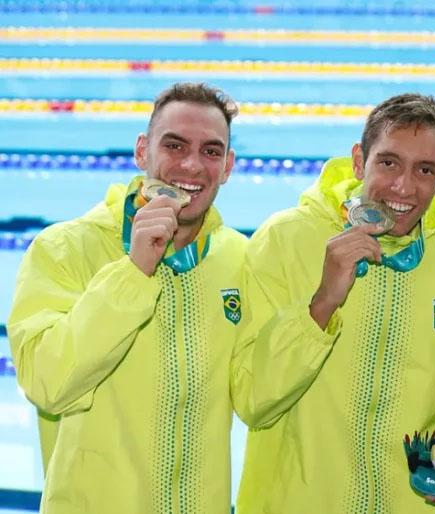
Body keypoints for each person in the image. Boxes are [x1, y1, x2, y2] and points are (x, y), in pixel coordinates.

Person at [232, 93, 435, 514]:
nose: (403, 187)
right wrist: (321, 306)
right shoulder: (285, 239)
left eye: (424, 170)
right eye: (388, 163)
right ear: (359, 160)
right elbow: (252, 400)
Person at [7, 82, 247, 513]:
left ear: (228, 166)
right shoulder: (63, 248)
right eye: (174, 145)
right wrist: (133, 273)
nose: (192, 165)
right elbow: (47, 383)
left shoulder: (238, 259)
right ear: (142, 151)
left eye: (211, 151)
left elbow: (257, 395)